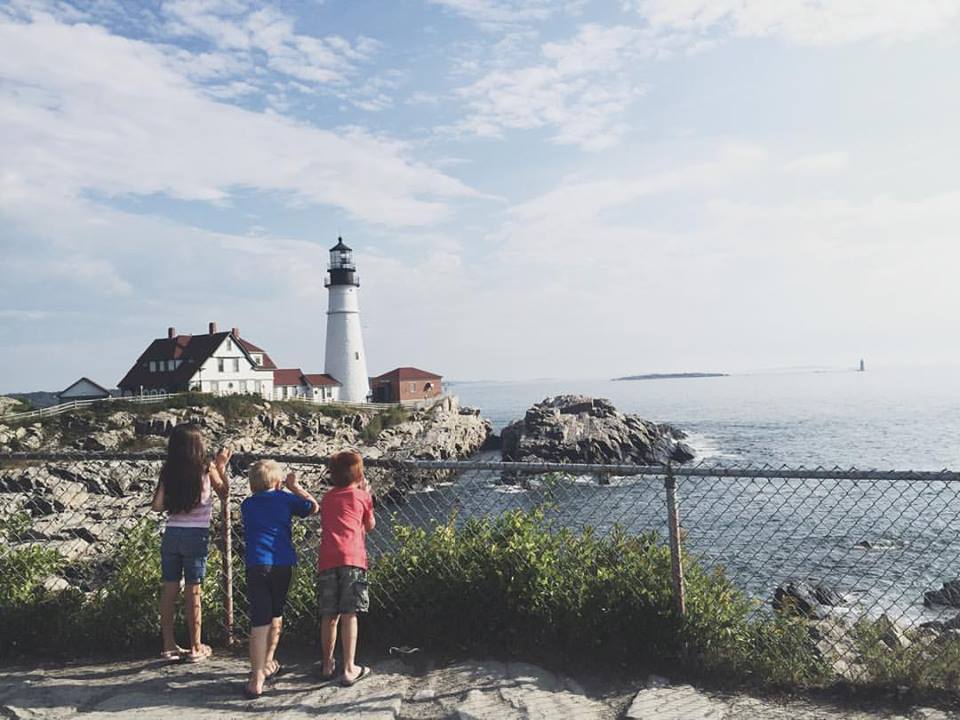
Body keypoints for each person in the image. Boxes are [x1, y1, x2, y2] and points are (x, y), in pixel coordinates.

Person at [151, 424, 230, 663]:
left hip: (172, 533)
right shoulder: (206, 468)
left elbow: (157, 505)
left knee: (169, 589)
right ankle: (196, 646)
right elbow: (224, 492)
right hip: (196, 534)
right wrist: (222, 466)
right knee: (193, 590)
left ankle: (169, 645)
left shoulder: (168, 470)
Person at [240, 460, 319, 699]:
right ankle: (269, 660)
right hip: (282, 563)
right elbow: (312, 507)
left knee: (259, 621)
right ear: (277, 483)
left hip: (257, 564)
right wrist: (294, 487)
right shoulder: (284, 499)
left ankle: (256, 677)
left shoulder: (247, 504)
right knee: (276, 614)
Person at [318, 450, 375, 687]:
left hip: (328, 559)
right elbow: (369, 525)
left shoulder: (327, 498)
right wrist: (366, 494)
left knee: (329, 615)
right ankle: (349, 668)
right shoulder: (362, 497)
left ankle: (327, 663)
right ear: (359, 475)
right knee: (349, 614)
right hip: (352, 558)